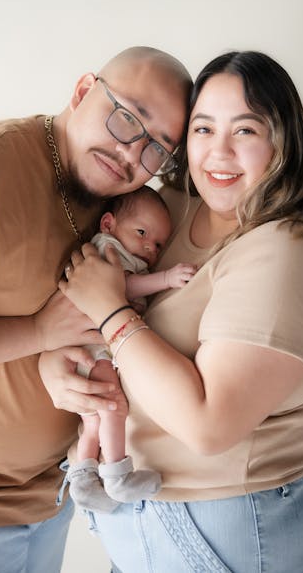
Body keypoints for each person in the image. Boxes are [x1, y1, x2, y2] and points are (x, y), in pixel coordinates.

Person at [40, 50, 303, 573]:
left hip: (225, 531)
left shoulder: (285, 255)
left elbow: (209, 426)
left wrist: (109, 310)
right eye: (204, 128)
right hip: (141, 517)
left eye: (246, 131)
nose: (218, 153)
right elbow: (82, 309)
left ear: (283, 141)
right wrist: (55, 365)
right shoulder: (174, 206)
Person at [0, 46, 192, 573]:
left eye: (157, 147)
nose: (131, 153)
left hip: (51, 504)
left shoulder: (133, 211)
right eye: (126, 117)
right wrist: (38, 333)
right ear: (82, 90)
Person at [68, 185, 196, 512]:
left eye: (157, 244)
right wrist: (165, 278)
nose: (148, 246)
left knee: (96, 418)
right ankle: (117, 475)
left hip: (90, 348)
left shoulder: (125, 252)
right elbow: (118, 288)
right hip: (93, 346)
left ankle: (84, 479)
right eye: (141, 232)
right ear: (108, 224)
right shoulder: (107, 249)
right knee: (114, 408)